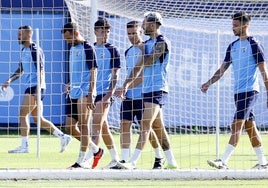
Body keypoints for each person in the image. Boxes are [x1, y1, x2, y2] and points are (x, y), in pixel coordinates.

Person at [200, 11, 268, 169]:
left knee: (236, 125)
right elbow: (222, 69)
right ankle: (263, 163)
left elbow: (264, 72)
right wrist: (208, 83)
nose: (233, 29)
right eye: (232, 26)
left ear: (246, 25)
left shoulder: (254, 44)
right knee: (250, 127)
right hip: (238, 92)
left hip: (250, 91)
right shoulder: (233, 46)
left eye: (236, 26)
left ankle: (223, 161)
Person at [115, 12, 178, 169]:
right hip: (146, 91)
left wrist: (142, 49)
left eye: (144, 23)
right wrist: (125, 85)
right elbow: (137, 68)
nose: (142, 26)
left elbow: (149, 62)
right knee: (158, 128)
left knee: (144, 124)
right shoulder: (148, 43)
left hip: (158, 89)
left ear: (152, 24)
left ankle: (133, 162)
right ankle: (171, 162)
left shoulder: (162, 42)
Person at [2, 25, 72, 153]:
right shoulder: (24, 50)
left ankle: (24, 146)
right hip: (32, 86)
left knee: (22, 114)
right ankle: (63, 137)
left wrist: (38, 89)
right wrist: (9, 80)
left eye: (20, 34)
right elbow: (20, 70)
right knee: (38, 119)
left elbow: (41, 70)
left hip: (35, 87)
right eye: (18, 34)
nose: (18, 37)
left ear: (29, 35)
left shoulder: (35, 50)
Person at [61, 22, 103, 169]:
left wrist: (91, 92)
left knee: (84, 126)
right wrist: (70, 83)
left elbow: (94, 71)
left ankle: (81, 161)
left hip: (85, 92)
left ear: (76, 34)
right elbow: (76, 70)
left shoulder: (88, 47)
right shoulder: (72, 48)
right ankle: (96, 150)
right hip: (74, 91)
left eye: (68, 38)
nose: (67, 41)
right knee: (69, 126)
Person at [84, 18, 121, 169]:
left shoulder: (113, 50)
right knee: (103, 126)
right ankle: (115, 159)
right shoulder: (90, 49)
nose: (105, 33)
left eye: (107, 31)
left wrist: (108, 95)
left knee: (96, 126)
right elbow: (86, 73)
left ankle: (88, 159)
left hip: (104, 93)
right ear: (95, 31)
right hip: (91, 93)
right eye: (102, 30)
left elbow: (115, 75)